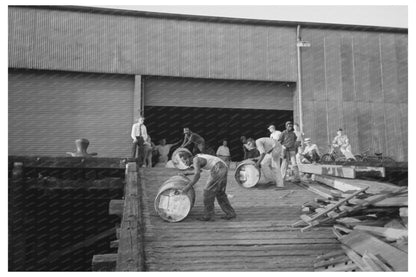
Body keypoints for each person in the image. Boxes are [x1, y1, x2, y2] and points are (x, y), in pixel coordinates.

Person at [179, 152, 236, 221]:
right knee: (220, 193)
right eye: (182, 161)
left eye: (185, 159)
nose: (184, 162)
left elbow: (197, 175)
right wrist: (187, 173)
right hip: (222, 167)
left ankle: (208, 215)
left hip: (218, 168)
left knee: (207, 192)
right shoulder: (197, 157)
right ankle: (230, 213)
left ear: (190, 157)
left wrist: (187, 187)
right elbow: (198, 170)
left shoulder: (195, 160)